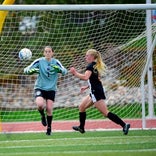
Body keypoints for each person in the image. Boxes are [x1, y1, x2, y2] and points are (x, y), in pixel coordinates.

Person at [70, 49, 130, 135]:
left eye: (87, 55)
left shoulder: (91, 66)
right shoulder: (95, 66)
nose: (85, 57)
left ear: (92, 57)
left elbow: (85, 77)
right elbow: (96, 79)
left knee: (105, 113)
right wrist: (87, 86)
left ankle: (124, 125)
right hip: (94, 91)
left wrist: (75, 73)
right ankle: (81, 128)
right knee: (81, 107)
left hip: (96, 92)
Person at [24, 46, 67, 135]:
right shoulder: (39, 61)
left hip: (51, 89)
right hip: (40, 87)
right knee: (40, 105)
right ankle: (42, 116)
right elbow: (26, 69)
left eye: (49, 51)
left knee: (49, 108)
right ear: (44, 53)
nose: (47, 53)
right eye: (46, 51)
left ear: (52, 53)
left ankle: (49, 128)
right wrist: (30, 71)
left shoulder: (56, 62)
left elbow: (65, 71)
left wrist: (59, 70)